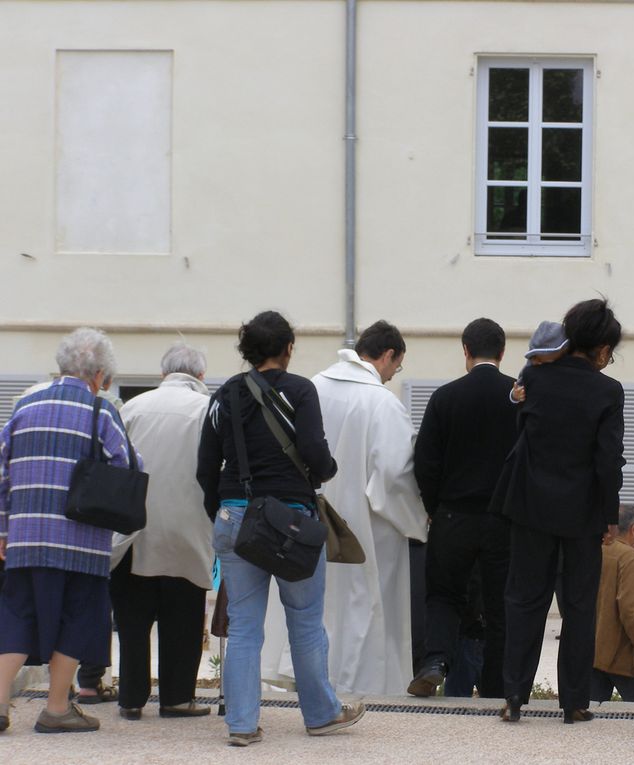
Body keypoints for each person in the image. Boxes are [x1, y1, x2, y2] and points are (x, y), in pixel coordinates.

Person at [197, 311, 362, 746]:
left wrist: (225, 510)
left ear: (247, 351)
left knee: (245, 626)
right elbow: (314, 451)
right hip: (291, 520)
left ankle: (242, 724)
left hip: (235, 516)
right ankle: (322, 715)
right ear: (288, 348)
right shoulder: (301, 390)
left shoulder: (224, 395)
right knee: (305, 621)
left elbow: (205, 467)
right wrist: (325, 470)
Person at [493, 298, 625, 725]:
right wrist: (609, 515)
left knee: (524, 600)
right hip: (582, 512)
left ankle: (514, 694)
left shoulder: (534, 375)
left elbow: (521, 434)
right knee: (580, 605)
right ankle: (574, 702)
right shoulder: (607, 390)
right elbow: (608, 459)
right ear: (603, 347)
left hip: (530, 504)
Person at [278, 320, 428, 696]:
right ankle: (361, 690)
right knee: (366, 609)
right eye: (397, 367)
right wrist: (415, 520)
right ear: (388, 354)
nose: (394, 375)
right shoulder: (381, 402)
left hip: (309, 521)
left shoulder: (311, 387)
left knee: (318, 604)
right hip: (368, 527)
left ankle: (313, 683)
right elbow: (394, 472)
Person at [0, 328, 132, 734]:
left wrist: (4, 529)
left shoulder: (23, 406)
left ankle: (0, 704)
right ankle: (57, 709)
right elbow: (125, 468)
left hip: (25, 538)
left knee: (16, 615)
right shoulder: (101, 412)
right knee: (78, 616)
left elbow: (2, 472)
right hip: (81, 540)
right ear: (100, 376)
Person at [407, 318, 518, 698]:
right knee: (500, 601)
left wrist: (436, 505)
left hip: (454, 514)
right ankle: (495, 685)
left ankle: (435, 661)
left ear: (465, 351)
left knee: (443, 594)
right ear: (503, 353)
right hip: (503, 518)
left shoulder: (445, 397)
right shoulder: (519, 397)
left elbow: (425, 461)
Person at [111, 342, 214, 721]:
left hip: (136, 531)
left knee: (133, 624)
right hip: (188, 530)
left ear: (162, 373)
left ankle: (131, 699)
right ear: (200, 376)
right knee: (183, 621)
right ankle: (176, 698)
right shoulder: (207, 410)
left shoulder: (133, 407)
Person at [591, 504, 634, 703]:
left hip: (594, 650)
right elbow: (631, 612)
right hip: (622, 653)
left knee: (591, 713)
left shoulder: (597, 549)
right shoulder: (629, 558)